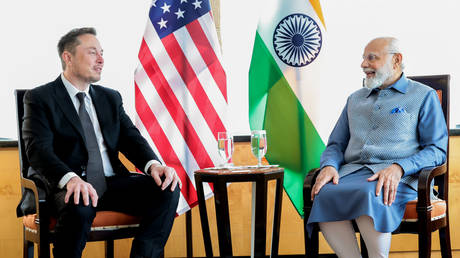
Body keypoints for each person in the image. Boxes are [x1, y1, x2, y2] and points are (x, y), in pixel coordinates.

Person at [22, 27, 181, 258]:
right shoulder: (40, 98)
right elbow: (38, 150)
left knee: (167, 189)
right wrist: (72, 179)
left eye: (102, 53)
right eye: (92, 52)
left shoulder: (110, 97)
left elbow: (131, 138)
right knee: (80, 205)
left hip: (112, 183)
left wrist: (153, 164)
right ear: (68, 57)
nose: (101, 59)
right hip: (68, 184)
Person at [306, 37, 448, 258]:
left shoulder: (424, 96)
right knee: (323, 193)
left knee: (371, 192)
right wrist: (330, 166)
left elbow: (437, 150)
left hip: (403, 178)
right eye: (363, 58)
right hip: (352, 174)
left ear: (396, 60)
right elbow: (336, 144)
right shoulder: (354, 99)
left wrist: (399, 167)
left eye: (372, 58)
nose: (363, 64)